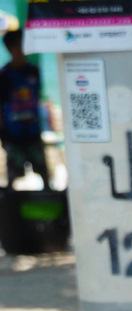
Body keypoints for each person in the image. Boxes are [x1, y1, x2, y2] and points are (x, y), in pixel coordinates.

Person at [1, 29, 49, 190]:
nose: (24, 48)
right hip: (13, 134)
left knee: (43, 173)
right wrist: (3, 134)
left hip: (33, 132)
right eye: (20, 44)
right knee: (13, 178)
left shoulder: (33, 71)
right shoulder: (4, 75)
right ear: (10, 48)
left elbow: (38, 99)